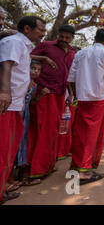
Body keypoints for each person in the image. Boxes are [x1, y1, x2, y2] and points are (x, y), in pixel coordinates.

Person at [0, 16, 46, 203]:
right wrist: (4, 91)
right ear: (27, 28)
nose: (43, 34)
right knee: (3, 149)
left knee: (9, 149)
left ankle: (2, 188)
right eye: (41, 30)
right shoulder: (14, 42)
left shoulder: (24, 46)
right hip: (7, 105)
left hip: (16, 105)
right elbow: (6, 66)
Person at [67, 29, 104, 185]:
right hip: (98, 98)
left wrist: (76, 95)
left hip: (83, 97)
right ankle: (84, 171)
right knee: (91, 134)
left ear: (94, 37)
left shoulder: (81, 53)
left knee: (80, 131)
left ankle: (76, 166)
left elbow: (71, 78)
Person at [27, 24, 75, 180]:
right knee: (42, 131)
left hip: (60, 94)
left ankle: (48, 165)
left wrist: (70, 94)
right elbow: (25, 56)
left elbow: (68, 74)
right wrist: (44, 58)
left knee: (54, 130)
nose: (63, 40)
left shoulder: (71, 53)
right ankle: (35, 169)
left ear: (72, 39)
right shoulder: (46, 46)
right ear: (58, 35)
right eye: (62, 36)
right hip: (44, 93)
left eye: (67, 38)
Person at [15, 60, 47, 186]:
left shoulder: (34, 85)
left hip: (25, 115)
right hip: (17, 112)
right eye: (33, 68)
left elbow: (32, 102)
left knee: (22, 143)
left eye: (38, 70)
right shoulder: (21, 81)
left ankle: (20, 175)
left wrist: (42, 95)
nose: (35, 71)